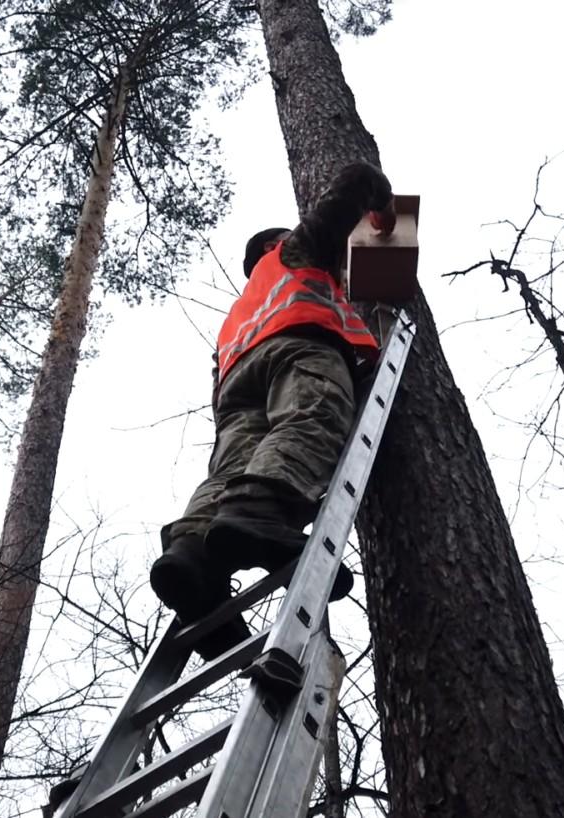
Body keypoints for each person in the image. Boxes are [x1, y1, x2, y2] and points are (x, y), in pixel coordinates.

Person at [152, 161, 395, 659]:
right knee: (311, 419)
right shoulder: (293, 252)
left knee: (229, 471)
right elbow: (352, 182)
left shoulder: (241, 308)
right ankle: (257, 513)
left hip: (237, 385)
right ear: (274, 243)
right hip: (299, 347)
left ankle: (193, 556)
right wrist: (384, 209)